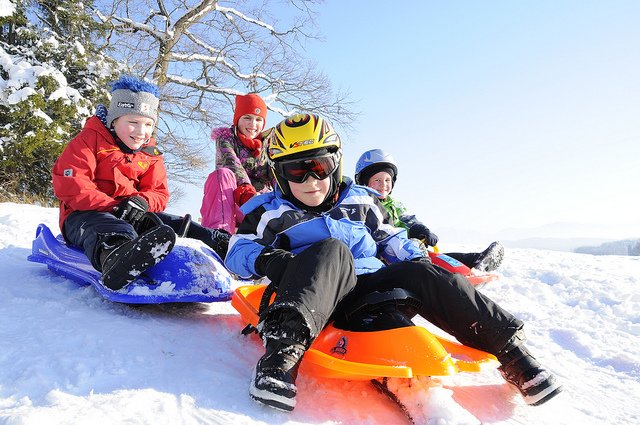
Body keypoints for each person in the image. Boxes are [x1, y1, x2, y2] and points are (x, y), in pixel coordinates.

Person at [225, 114, 562, 412]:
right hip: (311, 295)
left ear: (335, 165)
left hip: (368, 292)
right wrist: (271, 260)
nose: (311, 181)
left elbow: (390, 240)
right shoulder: (268, 211)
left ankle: (514, 355)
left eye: (319, 168)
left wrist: (422, 262)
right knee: (332, 248)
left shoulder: (360, 200)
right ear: (280, 175)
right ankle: (281, 357)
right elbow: (237, 251)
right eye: (297, 172)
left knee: (421, 271)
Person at [52, 75, 231, 291]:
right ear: (114, 120)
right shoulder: (88, 141)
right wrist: (114, 206)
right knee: (108, 228)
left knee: (169, 223)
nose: (141, 132)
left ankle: (224, 246)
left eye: (148, 124)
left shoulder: (150, 152)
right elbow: (72, 185)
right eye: (133, 123)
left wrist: (141, 202)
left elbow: (159, 192)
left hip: (133, 212)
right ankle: (117, 258)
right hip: (85, 215)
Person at [354, 148, 504, 272]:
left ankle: (475, 260)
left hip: (406, 249)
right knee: (423, 255)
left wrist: (419, 229)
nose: (383, 185)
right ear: (364, 182)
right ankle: (447, 277)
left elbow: (408, 219)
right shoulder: (361, 204)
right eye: (377, 180)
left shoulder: (393, 204)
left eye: (387, 180)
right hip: (384, 255)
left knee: (431, 254)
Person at [200, 93, 273, 233]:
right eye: (247, 118)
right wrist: (246, 190)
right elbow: (231, 163)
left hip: (258, 205)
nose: (253, 124)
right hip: (232, 202)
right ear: (237, 119)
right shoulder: (226, 138)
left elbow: (276, 175)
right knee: (222, 174)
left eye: (258, 120)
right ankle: (218, 232)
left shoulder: (269, 145)